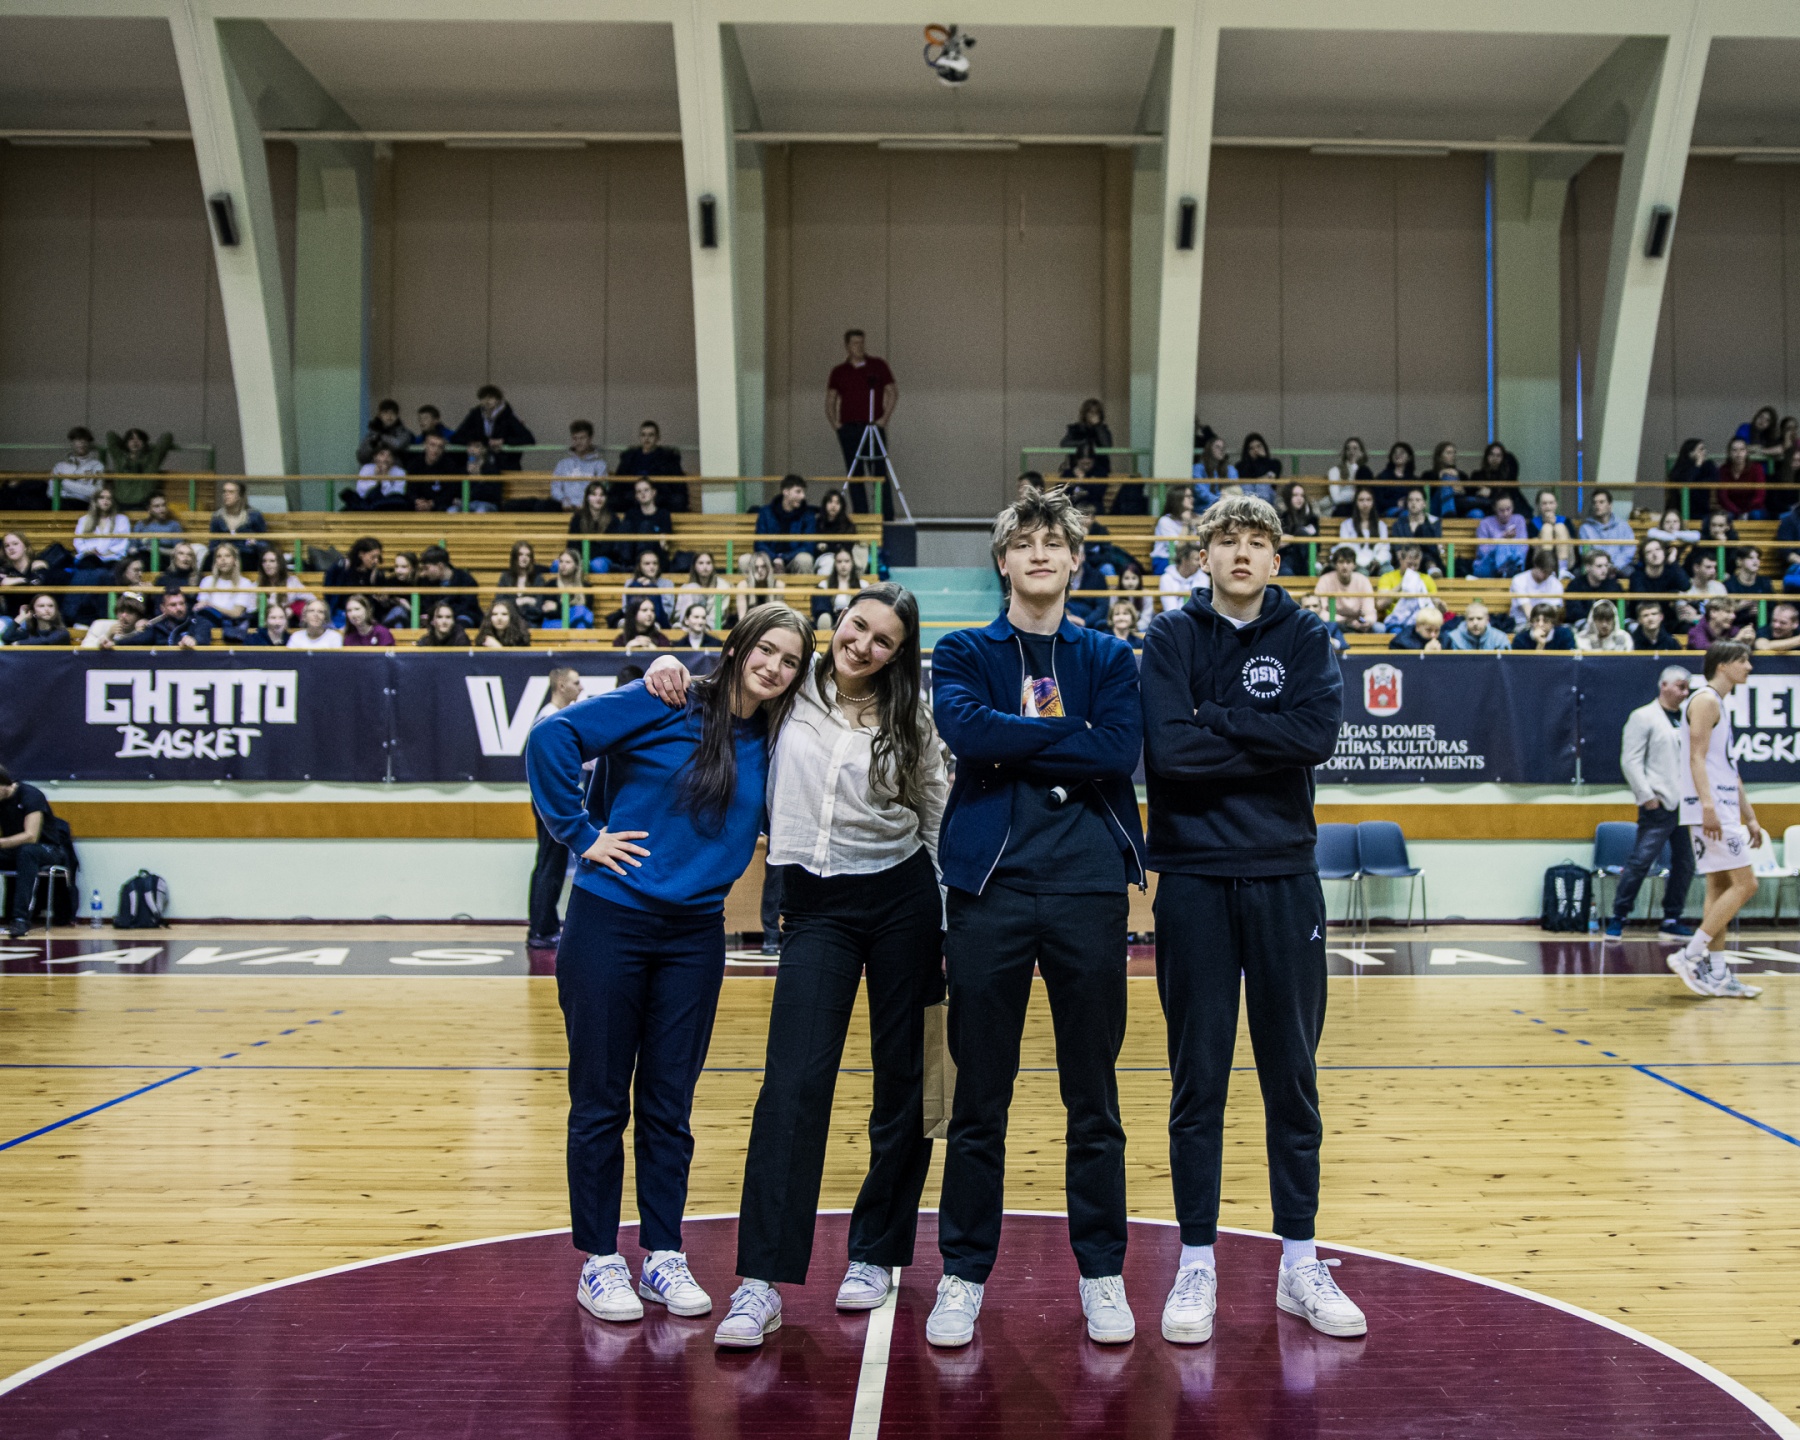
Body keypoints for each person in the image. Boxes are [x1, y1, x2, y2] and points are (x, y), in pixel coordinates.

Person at [644, 587, 948, 1347]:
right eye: (857, 626)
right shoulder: (792, 687)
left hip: (906, 899)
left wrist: (952, 921)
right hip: (815, 908)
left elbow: (936, 814)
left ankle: (877, 1252)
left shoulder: (912, 715)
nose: (863, 645)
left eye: (883, 640)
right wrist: (662, 665)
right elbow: (729, 687)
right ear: (838, 623)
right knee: (792, 1086)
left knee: (912, 1082)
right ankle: (761, 1282)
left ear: (899, 653)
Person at [524, 605, 810, 1325]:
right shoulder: (667, 697)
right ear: (738, 647)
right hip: (609, 924)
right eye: (766, 650)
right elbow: (552, 737)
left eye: (790, 661)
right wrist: (580, 834)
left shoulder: (780, 737)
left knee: (668, 1106)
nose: (774, 667)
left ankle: (662, 1254)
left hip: (694, 937)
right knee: (600, 1101)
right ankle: (599, 1260)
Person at [923, 484, 1146, 1351]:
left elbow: (1118, 749)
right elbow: (967, 734)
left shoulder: (1110, 656)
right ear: (1004, 561)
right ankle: (963, 1273)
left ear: (1076, 561)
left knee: (1094, 1096)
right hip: (991, 893)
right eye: (1025, 543)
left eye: (1055, 543)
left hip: (1088, 890)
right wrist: (1064, 736)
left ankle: (1102, 1273)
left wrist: (1016, 737)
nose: (1041, 554)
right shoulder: (964, 649)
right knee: (980, 1096)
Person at [1139, 491, 1361, 1346]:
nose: (1240, 552)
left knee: (1291, 1077)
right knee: (1198, 1078)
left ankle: (1299, 1260)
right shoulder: (1170, 636)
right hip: (1193, 877)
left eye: (1256, 540)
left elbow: (1315, 737)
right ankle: (1196, 1259)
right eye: (1225, 539)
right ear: (1202, 556)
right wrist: (1262, 732)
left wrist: (1218, 719)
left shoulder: (1304, 636)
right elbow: (1170, 752)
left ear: (1276, 557)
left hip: (1284, 877)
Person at [1667, 644, 1764, 998]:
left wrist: (1750, 817)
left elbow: (1728, 770)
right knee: (1747, 884)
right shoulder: (1705, 700)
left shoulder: (1718, 703)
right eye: (1743, 661)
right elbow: (1696, 757)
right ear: (1723, 666)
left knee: (1720, 887)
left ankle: (1719, 973)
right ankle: (1689, 955)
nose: (1749, 667)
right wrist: (1708, 806)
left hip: (1721, 805)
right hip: (1712, 808)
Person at [1607, 666, 1697, 940]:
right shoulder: (1643, 716)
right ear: (1664, 685)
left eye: (1687, 687)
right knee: (1641, 860)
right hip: (1658, 802)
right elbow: (1630, 760)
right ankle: (1619, 917)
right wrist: (1646, 796)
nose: (1685, 692)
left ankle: (1671, 918)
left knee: (1685, 863)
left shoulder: (1687, 718)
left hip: (1684, 803)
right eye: (1680, 686)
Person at [527, 666, 585, 949]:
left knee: (550, 864)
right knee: (550, 865)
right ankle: (542, 929)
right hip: (550, 801)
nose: (580, 687)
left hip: (551, 800)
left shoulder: (554, 718)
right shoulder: (550, 719)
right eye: (576, 682)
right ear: (561, 686)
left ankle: (543, 926)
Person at [827, 330, 897, 514]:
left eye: (862, 343)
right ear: (847, 346)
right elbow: (830, 400)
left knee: (879, 472)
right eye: (855, 343)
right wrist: (836, 424)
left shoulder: (877, 365)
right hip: (849, 428)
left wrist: (884, 419)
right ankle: (861, 515)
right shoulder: (839, 372)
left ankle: (884, 515)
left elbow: (892, 393)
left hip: (873, 426)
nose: (859, 347)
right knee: (854, 473)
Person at [1, 764, 75, 939]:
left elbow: (31, 836)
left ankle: (20, 918)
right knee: (23, 852)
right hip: (15, 850)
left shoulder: (30, 795)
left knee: (27, 851)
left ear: (4, 784)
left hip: (47, 849)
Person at [71, 487, 132, 622]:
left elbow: (124, 542)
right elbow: (78, 542)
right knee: (89, 568)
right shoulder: (84, 520)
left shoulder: (122, 519)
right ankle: (85, 612)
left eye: (109, 498)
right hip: (90, 557)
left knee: (108, 575)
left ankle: (103, 614)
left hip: (113, 558)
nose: (105, 501)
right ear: (96, 501)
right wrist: (90, 550)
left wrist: (109, 552)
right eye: (102, 498)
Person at [450, 384, 534, 473]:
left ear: (498, 399)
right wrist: (472, 442)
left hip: (506, 466)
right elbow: (457, 437)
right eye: (483, 397)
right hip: (479, 466)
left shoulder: (508, 416)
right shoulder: (475, 415)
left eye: (491, 397)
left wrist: (503, 441)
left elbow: (528, 439)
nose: (487, 401)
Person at [612, 420, 689, 514]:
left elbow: (678, 484)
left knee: (677, 501)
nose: (646, 438)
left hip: (659, 496)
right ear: (640, 437)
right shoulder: (629, 457)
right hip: (633, 495)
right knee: (614, 500)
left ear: (657, 438)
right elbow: (618, 482)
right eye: (643, 435)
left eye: (651, 435)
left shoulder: (668, 457)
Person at [755, 476, 818, 575]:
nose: (803, 496)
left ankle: (804, 586)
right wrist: (774, 558)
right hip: (769, 559)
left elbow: (808, 546)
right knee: (744, 560)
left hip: (793, 559)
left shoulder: (808, 515)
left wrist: (783, 558)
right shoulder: (766, 512)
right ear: (785, 492)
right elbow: (759, 543)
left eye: (803, 492)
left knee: (805, 559)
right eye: (798, 491)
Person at [194, 542, 257, 640]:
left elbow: (236, 613)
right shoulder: (207, 581)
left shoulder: (244, 583)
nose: (223, 559)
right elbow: (201, 607)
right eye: (219, 556)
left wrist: (212, 605)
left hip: (233, 623)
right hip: (209, 621)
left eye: (227, 556)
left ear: (235, 560)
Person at [568, 480, 632, 574]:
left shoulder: (613, 518)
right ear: (587, 498)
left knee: (597, 565)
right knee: (557, 565)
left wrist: (588, 560)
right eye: (594, 494)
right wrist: (581, 559)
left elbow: (611, 548)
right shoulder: (577, 518)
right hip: (580, 558)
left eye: (602, 495)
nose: (598, 498)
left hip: (604, 559)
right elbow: (572, 544)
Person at [117, 588, 212, 648]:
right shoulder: (157, 627)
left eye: (181, 604)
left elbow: (202, 638)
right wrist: (114, 643)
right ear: (163, 608)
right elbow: (136, 641)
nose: (179, 608)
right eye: (173, 605)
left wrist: (194, 641)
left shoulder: (198, 622)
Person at [1312, 545, 1376, 632]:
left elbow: (1369, 611)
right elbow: (1320, 611)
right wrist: (1345, 621)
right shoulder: (1325, 580)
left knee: (1379, 628)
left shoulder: (1363, 580)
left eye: (1348, 562)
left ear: (1354, 565)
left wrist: (1366, 621)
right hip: (1334, 623)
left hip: (1358, 621)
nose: (1345, 566)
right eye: (1341, 562)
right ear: (1335, 565)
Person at [102, 427, 174, 504]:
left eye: (139, 439)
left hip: (144, 503)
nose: (135, 442)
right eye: (131, 439)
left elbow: (167, 436)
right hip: (120, 502)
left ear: (144, 443)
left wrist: (148, 447)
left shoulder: (152, 458)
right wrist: (124, 446)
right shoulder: (119, 457)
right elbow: (110, 435)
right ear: (126, 443)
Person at [1375, 544, 1437, 631]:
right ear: (1401, 559)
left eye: (1416, 565)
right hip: (1396, 623)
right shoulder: (1387, 578)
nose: (1412, 569)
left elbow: (1434, 606)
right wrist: (1401, 585)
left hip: (1420, 623)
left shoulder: (1426, 579)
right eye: (1409, 564)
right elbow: (1380, 604)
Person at [418, 546, 482, 628]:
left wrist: (445, 614)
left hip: (461, 616)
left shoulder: (466, 580)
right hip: (436, 617)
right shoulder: (426, 581)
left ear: (440, 566)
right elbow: (425, 606)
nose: (424, 573)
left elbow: (467, 606)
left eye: (426, 568)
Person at [551, 421, 609, 511]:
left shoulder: (599, 464)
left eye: (582, 438)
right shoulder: (563, 464)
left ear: (590, 439)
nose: (578, 442)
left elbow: (602, 489)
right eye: (575, 438)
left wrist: (586, 503)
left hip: (590, 508)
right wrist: (563, 500)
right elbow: (555, 487)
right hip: (564, 506)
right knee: (542, 506)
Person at [1629, 538, 1689, 622]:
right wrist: (1673, 594)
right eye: (1649, 552)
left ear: (1664, 553)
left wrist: (1673, 563)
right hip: (1645, 620)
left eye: (1658, 549)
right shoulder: (1637, 576)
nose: (1654, 554)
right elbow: (1643, 601)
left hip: (1669, 619)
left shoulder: (1671, 571)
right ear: (1644, 557)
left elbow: (1685, 586)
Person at [1578, 489, 1636, 574]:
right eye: (1594, 503)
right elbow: (1585, 553)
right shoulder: (1585, 528)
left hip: (1619, 566)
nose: (1597, 505)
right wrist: (1601, 566)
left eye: (1601, 502)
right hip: (1595, 568)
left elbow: (1629, 550)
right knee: (1578, 575)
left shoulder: (1623, 526)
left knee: (1633, 573)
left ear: (1610, 505)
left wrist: (1615, 565)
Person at [1389, 487, 1444, 576]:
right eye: (1410, 500)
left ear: (1424, 504)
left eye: (1417, 500)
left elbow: (1437, 548)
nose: (1413, 503)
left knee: (1428, 553)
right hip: (1405, 561)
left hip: (1429, 560)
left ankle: (1432, 568)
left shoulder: (1433, 522)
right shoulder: (1399, 524)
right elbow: (1398, 550)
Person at [1472, 494, 1529, 578]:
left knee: (1510, 546)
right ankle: (1504, 571)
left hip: (1514, 564)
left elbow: (1524, 547)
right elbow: (1483, 551)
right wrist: (1502, 538)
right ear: (1494, 508)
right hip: (1487, 566)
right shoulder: (1485, 523)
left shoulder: (1519, 520)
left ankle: (1506, 571)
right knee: (1503, 543)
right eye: (1501, 510)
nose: (1506, 513)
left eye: (1508, 509)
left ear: (1513, 507)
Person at [1562, 549, 1625, 626]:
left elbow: (1621, 611)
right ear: (1588, 567)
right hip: (1582, 624)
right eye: (1599, 566)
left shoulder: (1614, 585)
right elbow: (1574, 613)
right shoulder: (1575, 585)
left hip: (1609, 624)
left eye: (1606, 565)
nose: (1604, 570)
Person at [621, 477, 675, 565]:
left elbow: (664, 543)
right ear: (636, 496)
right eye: (639, 491)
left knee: (646, 526)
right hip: (633, 558)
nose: (643, 493)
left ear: (653, 492)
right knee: (627, 525)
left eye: (646, 490)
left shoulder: (663, 514)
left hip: (655, 557)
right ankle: (625, 565)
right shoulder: (631, 514)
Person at [50, 426, 106, 508]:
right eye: (78, 439)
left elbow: (96, 492)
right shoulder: (60, 466)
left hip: (83, 503)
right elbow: (51, 492)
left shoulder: (97, 465)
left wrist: (64, 483)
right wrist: (77, 491)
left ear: (89, 443)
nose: (82, 443)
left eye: (85, 440)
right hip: (61, 502)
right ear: (72, 442)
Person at [1337, 488, 1389, 573]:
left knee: (1388, 570)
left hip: (1378, 562)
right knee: (1362, 573)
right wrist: (1358, 562)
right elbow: (1345, 547)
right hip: (1356, 563)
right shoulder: (1346, 525)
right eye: (1361, 500)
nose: (1365, 503)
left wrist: (1377, 561)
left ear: (1373, 502)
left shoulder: (1381, 525)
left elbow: (1385, 548)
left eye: (1368, 500)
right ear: (1356, 502)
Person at [407, 432, 465, 511]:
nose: (436, 450)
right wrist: (417, 501)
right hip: (416, 506)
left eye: (440, 447)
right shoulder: (414, 464)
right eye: (432, 445)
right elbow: (410, 489)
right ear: (425, 445)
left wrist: (432, 503)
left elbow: (450, 492)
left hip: (441, 508)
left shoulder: (450, 466)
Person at [811, 547, 865, 628]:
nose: (843, 565)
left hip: (855, 619)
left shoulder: (863, 585)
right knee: (823, 613)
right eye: (839, 562)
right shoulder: (824, 585)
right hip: (832, 620)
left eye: (846, 561)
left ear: (852, 563)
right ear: (835, 564)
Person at [344, 444, 408, 512]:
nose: (386, 458)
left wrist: (384, 478)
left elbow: (397, 494)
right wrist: (376, 480)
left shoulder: (400, 472)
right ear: (375, 457)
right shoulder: (366, 468)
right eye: (382, 454)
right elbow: (361, 491)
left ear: (393, 459)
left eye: (390, 455)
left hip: (389, 506)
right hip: (367, 503)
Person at [497, 541, 547, 628]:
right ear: (514, 557)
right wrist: (525, 601)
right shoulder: (505, 577)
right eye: (520, 554)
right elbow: (499, 602)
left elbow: (539, 609)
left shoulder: (538, 579)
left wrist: (514, 605)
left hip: (531, 622)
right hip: (509, 621)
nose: (524, 558)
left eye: (528, 555)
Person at [1509, 547, 1564, 626]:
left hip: (1547, 625)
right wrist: (1539, 626)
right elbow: (1528, 613)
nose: (1546, 576)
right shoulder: (1519, 580)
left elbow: (1553, 611)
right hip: (1522, 623)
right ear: (1535, 565)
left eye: (1549, 573)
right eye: (1544, 571)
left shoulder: (1556, 583)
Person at [209, 479, 267, 553]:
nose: (226, 495)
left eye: (231, 492)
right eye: (224, 491)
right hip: (225, 554)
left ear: (240, 495)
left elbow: (264, 543)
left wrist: (255, 543)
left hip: (247, 553)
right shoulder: (217, 517)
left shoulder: (254, 516)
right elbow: (213, 545)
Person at [1061, 399, 1114, 480]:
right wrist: (1084, 443)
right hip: (1077, 468)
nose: (1093, 415)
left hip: (1100, 469)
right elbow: (1064, 444)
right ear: (1085, 413)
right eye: (1091, 412)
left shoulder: (1103, 429)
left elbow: (1107, 446)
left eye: (1096, 413)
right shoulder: (1076, 428)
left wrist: (1098, 427)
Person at [256, 547, 311, 624]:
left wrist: (293, 609)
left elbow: (311, 600)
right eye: (264, 561)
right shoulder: (256, 584)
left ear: (280, 563)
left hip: (288, 622)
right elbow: (252, 609)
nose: (267, 564)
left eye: (272, 561)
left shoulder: (292, 581)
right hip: (264, 622)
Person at [1464, 442, 1522, 516]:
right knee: (1476, 513)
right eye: (1492, 454)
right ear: (1487, 456)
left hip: (1501, 509)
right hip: (1482, 508)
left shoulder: (1507, 477)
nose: (1495, 458)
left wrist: (1491, 493)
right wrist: (1479, 491)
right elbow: (1470, 494)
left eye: (1498, 455)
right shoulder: (1477, 475)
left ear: (1503, 458)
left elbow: (1508, 494)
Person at [1715, 437, 1766, 519]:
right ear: (1729, 453)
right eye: (1734, 450)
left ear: (1746, 452)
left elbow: (1760, 495)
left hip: (1753, 509)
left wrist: (1746, 512)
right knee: (1726, 517)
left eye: (1742, 450)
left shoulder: (1756, 468)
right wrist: (1737, 512)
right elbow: (1723, 497)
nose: (1738, 454)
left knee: (1755, 514)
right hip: (1731, 509)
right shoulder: (1723, 470)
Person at [1276, 482, 1321, 575]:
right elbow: (1278, 542)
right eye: (1295, 495)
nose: (1299, 498)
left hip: (1306, 559)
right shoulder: (1282, 517)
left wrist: (1292, 539)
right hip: (1286, 558)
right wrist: (1298, 537)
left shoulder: (1311, 519)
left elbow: (1317, 545)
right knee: (1286, 573)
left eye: (1302, 495)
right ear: (1288, 497)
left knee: (1302, 533)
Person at [542, 550, 593, 630]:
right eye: (561, 561)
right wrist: (573, 610)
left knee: (581, 618)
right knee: (580, 613)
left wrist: (557, 607)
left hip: (577, 624)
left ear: (576, 566)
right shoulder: (551, 584)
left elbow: (587, 611)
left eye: (568, 562)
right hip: (554, 623)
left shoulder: (586, 586)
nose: (563, 565)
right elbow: (548, 612)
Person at [1152, 487, 1197, 575]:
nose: (1192, 499)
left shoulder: (1192, 518)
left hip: (1186, 559)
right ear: (1177, 499)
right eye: (1188, 496)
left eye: (1192, 496)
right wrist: (1186, 524)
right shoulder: (1165, 521)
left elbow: (1194, 545)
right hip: (1165, 560)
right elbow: (1178, 548)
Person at [355, 398, 413, 467]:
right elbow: (361, 456)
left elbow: (398, 444)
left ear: (397, 416)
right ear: (380, 415)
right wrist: (373, 444)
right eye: (386, 412)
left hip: (394, 467)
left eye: (393, 413)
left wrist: (380, 438)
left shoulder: (403, 432)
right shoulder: (373, 432)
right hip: (375, 467)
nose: (389, 416)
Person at [81, 591, 148, 648]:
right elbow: (84, 649)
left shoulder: (143, 631)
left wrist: (140, 635)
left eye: (130, 612)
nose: (124, 616)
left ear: (139, 616)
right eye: (121, 611)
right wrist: (108, 635)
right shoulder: (99, 625)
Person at [1724, 546, 1772, 627]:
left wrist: (1761, 611)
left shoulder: (1765, 582)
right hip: (1735, 627)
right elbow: (1722, 613)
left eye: (1758, 558)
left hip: (1761, 627)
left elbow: (1772, 609)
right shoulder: (1729, 584)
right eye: (1750, 558)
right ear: (1739, 561)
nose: (1756, 561)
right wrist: (1738, 607)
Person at [1325, 438, 1373, 516]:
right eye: (1348, 449)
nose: (1351, 452)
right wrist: (1356, 496)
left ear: (1361, 452)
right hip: (1341, 507)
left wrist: (1346, 494)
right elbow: (1336, 498)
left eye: (1355, 448)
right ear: (1345, 452)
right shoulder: (1335, 471)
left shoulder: (1365, 472)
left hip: (1361, 507)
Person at [1531, 489, 1575, 574]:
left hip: (1567, 560)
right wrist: (1547, 527)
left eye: (1551, 503)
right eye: (1544, 503)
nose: (1548, 507)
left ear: (1556, 504)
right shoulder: (1533, 523)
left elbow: (1572, 543)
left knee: (1560, 527)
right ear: (1538, 505)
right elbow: (1533, 545)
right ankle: (1547, 568)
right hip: (1540, 561)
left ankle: (1562, 570)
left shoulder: (1565, 521)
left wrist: (1555, 526)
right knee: (1547, 528)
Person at [2, 593, 71, 647]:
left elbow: (46, 641)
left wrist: (20, 643)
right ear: (33, 611)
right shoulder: (29, 632)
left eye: (51, 606)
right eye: (41, 606)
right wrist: (21, 617)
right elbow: (7, 637)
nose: (47, 609)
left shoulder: (62, 633)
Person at [1159, 540, 1209, 613]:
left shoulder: (1203, 578)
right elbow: (1170, 608)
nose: (1200, 563)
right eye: (1197, 559)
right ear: (1184, 560)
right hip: (1173, 618)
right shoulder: (1166, 578)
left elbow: (1202, 606)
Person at [1424, 441, 1471, 516]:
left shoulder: (1462, 475)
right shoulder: (1428, 475)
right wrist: (1441, 475)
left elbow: (1469, 494)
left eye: (1454, 453)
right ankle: (1449, 514)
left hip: (1458, 507)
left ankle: (1449, 514)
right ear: (1439, 457)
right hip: (1436, 508)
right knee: (1447, 478)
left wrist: (1461, 489)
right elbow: (1425, 494)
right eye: (1449, 453)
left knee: (1477, 513)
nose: (1453, 456)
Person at [1190, 435, 1237, 507]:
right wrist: (1218, 500)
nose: (1221, 450)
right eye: (1217, 447)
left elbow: (1234, 490)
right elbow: (1201, 491)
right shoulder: (1198, 468)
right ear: (1209, 449)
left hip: (1224, 507)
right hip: (1203, 508)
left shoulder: (1229, 469)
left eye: (1223, 448)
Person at [1234, 433, 1280, 502]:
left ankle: (1262, 508)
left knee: (1262, 485)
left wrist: (1263, 459)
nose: (1256, 450)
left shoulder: (1274, 463)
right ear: (1247, 451)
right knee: (1247, 486)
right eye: (1251, 448)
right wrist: (1253, 461)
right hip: (1248, 496)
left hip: (1268, 496)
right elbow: (1246, 480)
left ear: (1264, 447)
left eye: (1259, 446)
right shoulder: (1240, 466)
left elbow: (1271, 478)